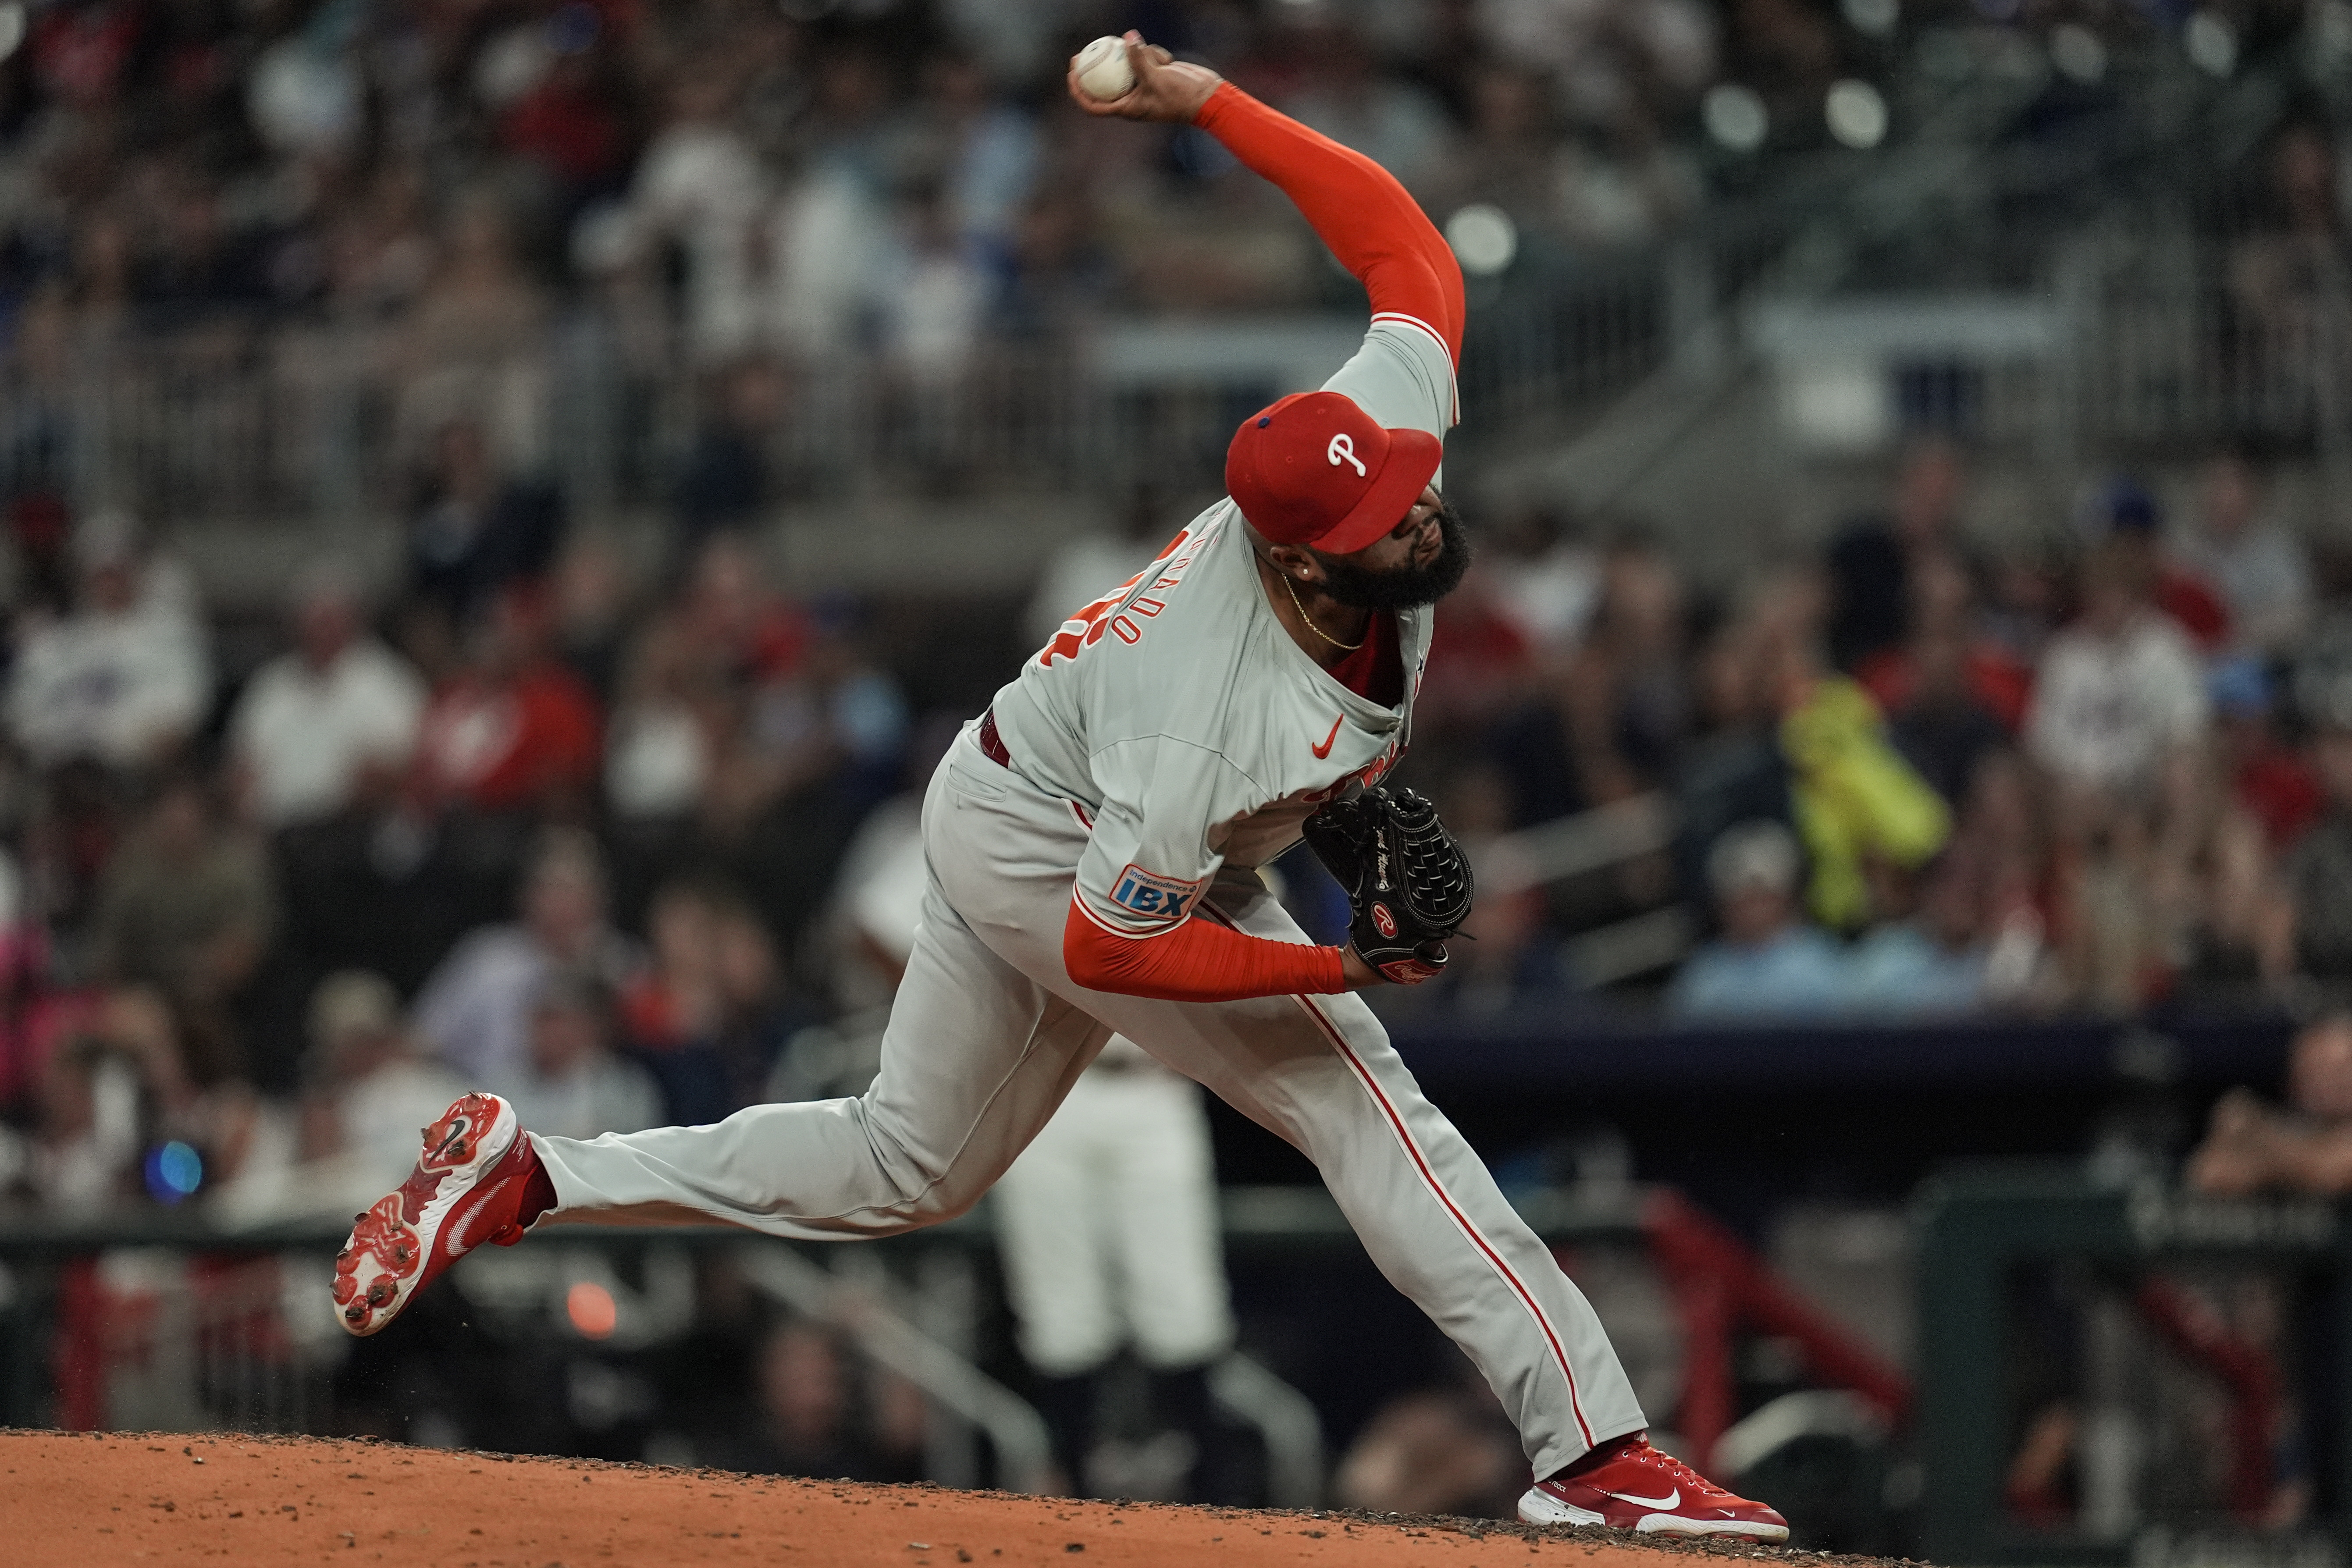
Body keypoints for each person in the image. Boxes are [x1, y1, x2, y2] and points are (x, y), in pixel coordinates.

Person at [329, 39, 1786, 1541]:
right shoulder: (1211, 719)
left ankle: (532, 1171)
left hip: (1019, 786)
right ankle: (1592, 1443)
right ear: (1290, 554)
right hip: (1076, 848)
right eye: (1374, 517)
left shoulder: (1369, 445)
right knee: (1362, 1099)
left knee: (911, 1163)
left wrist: (1208, 103)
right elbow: (1112, 948)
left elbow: (1398, 241)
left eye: (1403, 483)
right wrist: (1336, 959)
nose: (1414, 512)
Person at [229, 566, 428, 829]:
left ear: (355, 621)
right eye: (312, 620)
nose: (321, 630)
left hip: (352, 830)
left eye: (331, 619)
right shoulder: (270, 685)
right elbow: (242, 767)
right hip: (272, 830)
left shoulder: (391, 684)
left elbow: (407, 767)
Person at [1668, 820, 1850, 1019]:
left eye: (1763, 896)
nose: (1752, 908)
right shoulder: (1704, 975)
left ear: (1789, 897)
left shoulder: (1821, 964)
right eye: (1740, 898)